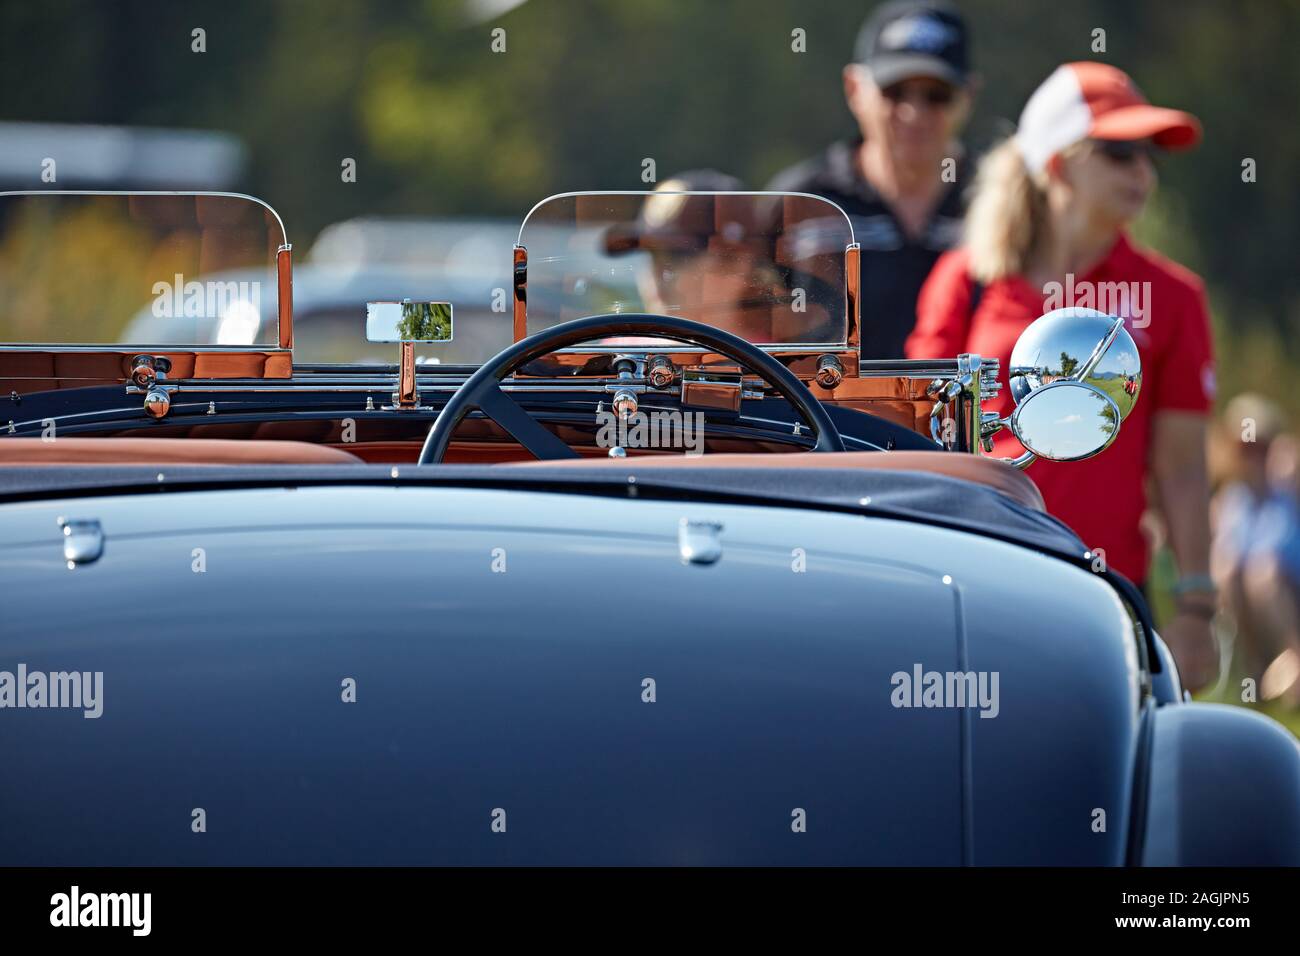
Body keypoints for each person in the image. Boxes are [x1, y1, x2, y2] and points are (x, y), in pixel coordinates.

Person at [904, 62, 1218, 689]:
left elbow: (1182, 466)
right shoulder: (964, 282)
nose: (1143, 174)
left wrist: (1196, 608)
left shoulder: (1174, 296)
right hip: (973, 584)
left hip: (1108, 597)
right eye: (1119, 153)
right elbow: (915, 440)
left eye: (1147, 156)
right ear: (1057, 163)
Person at [767, 0, 976, 359]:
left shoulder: (1000, 202)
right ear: (854, 89)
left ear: (968, 96)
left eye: (936, 95)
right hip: (826, 416)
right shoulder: (800, 203)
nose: (914, 112)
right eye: (894, 91)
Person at [1211, 395, 1300, 703]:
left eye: (1260, 447)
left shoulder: (1289, 487)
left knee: (1266, 571)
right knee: (1233, 570)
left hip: (1289, 592)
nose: (1253, 456)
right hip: (1250, 602)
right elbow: (1222, 561)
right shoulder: (1231, 501)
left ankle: (1294, 661)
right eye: (1244, 447)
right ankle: (1256, 671)